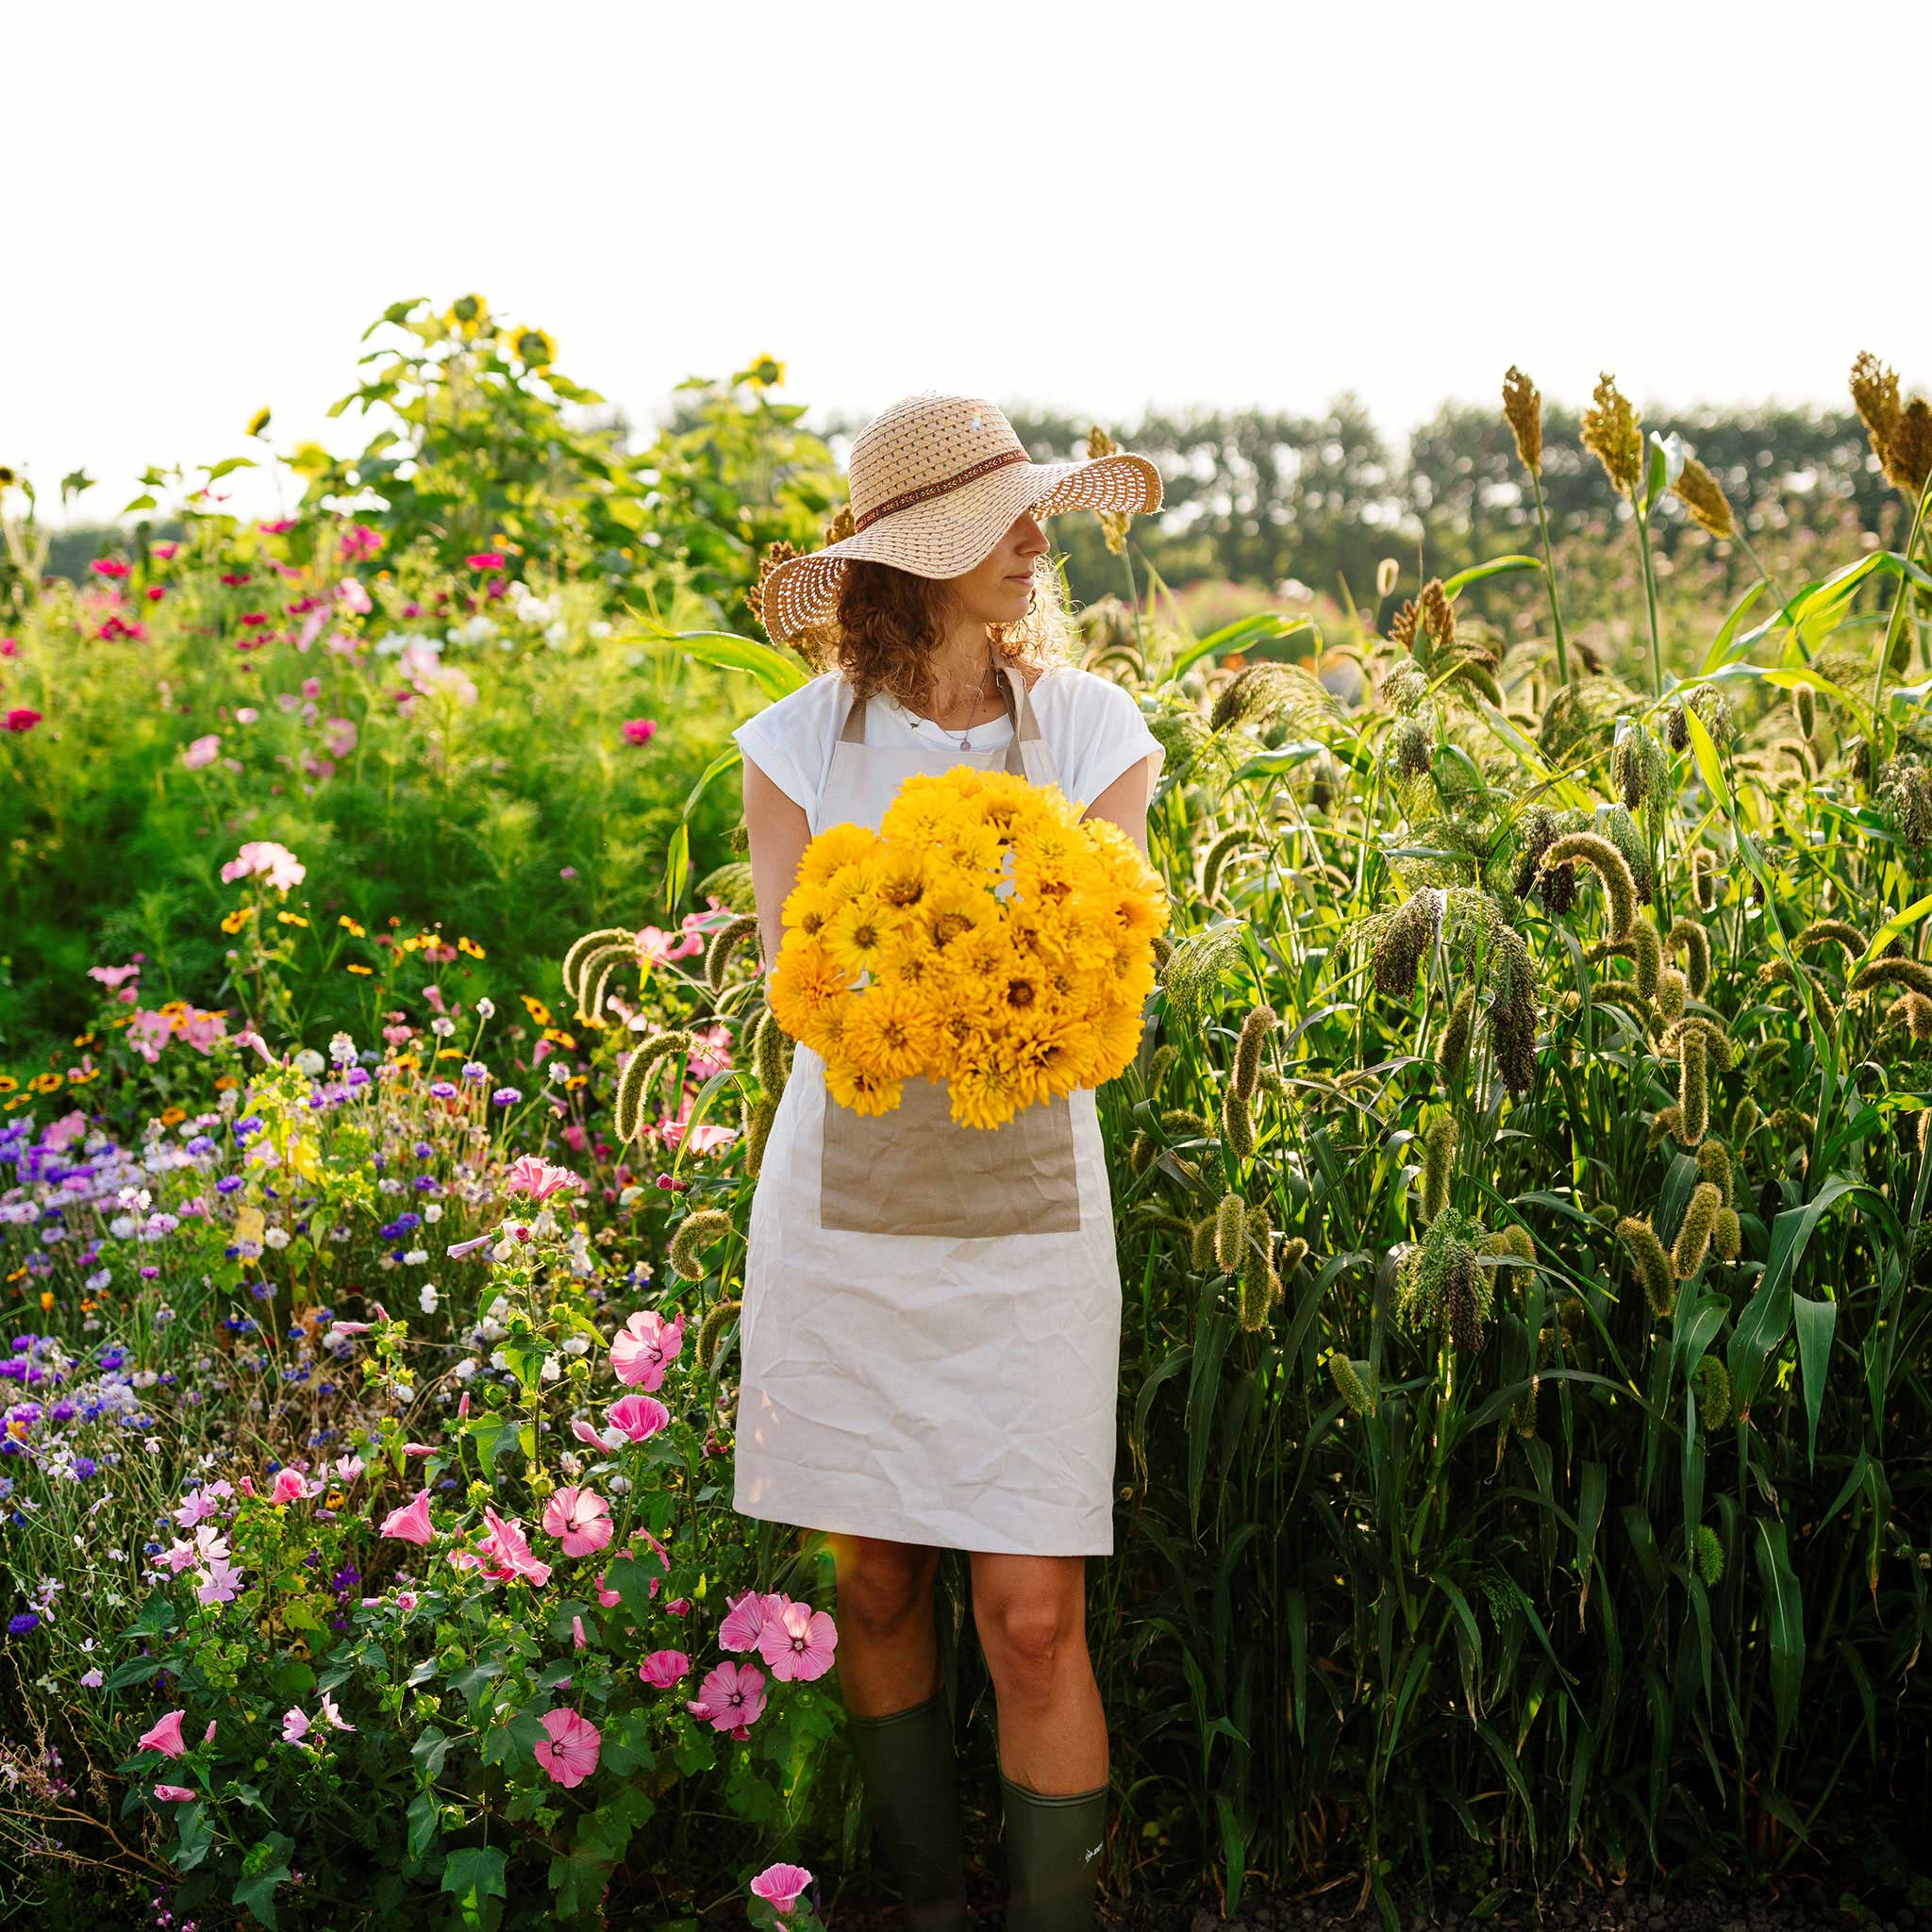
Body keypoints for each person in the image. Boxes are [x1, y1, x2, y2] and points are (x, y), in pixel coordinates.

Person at [728, 392, 1166, 1932]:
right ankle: (924, 1910)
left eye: (1037, 503)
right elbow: (802, 986)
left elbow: (1107, 981)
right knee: (878, 1587)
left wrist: (966, 962)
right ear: (910, 561)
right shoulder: (795, 748)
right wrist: (920, 961)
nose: (1038, 534)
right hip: (847, 1215)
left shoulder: (1098, 735)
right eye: (1000, 515)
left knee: (1035, 1618)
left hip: (1033, 1224)